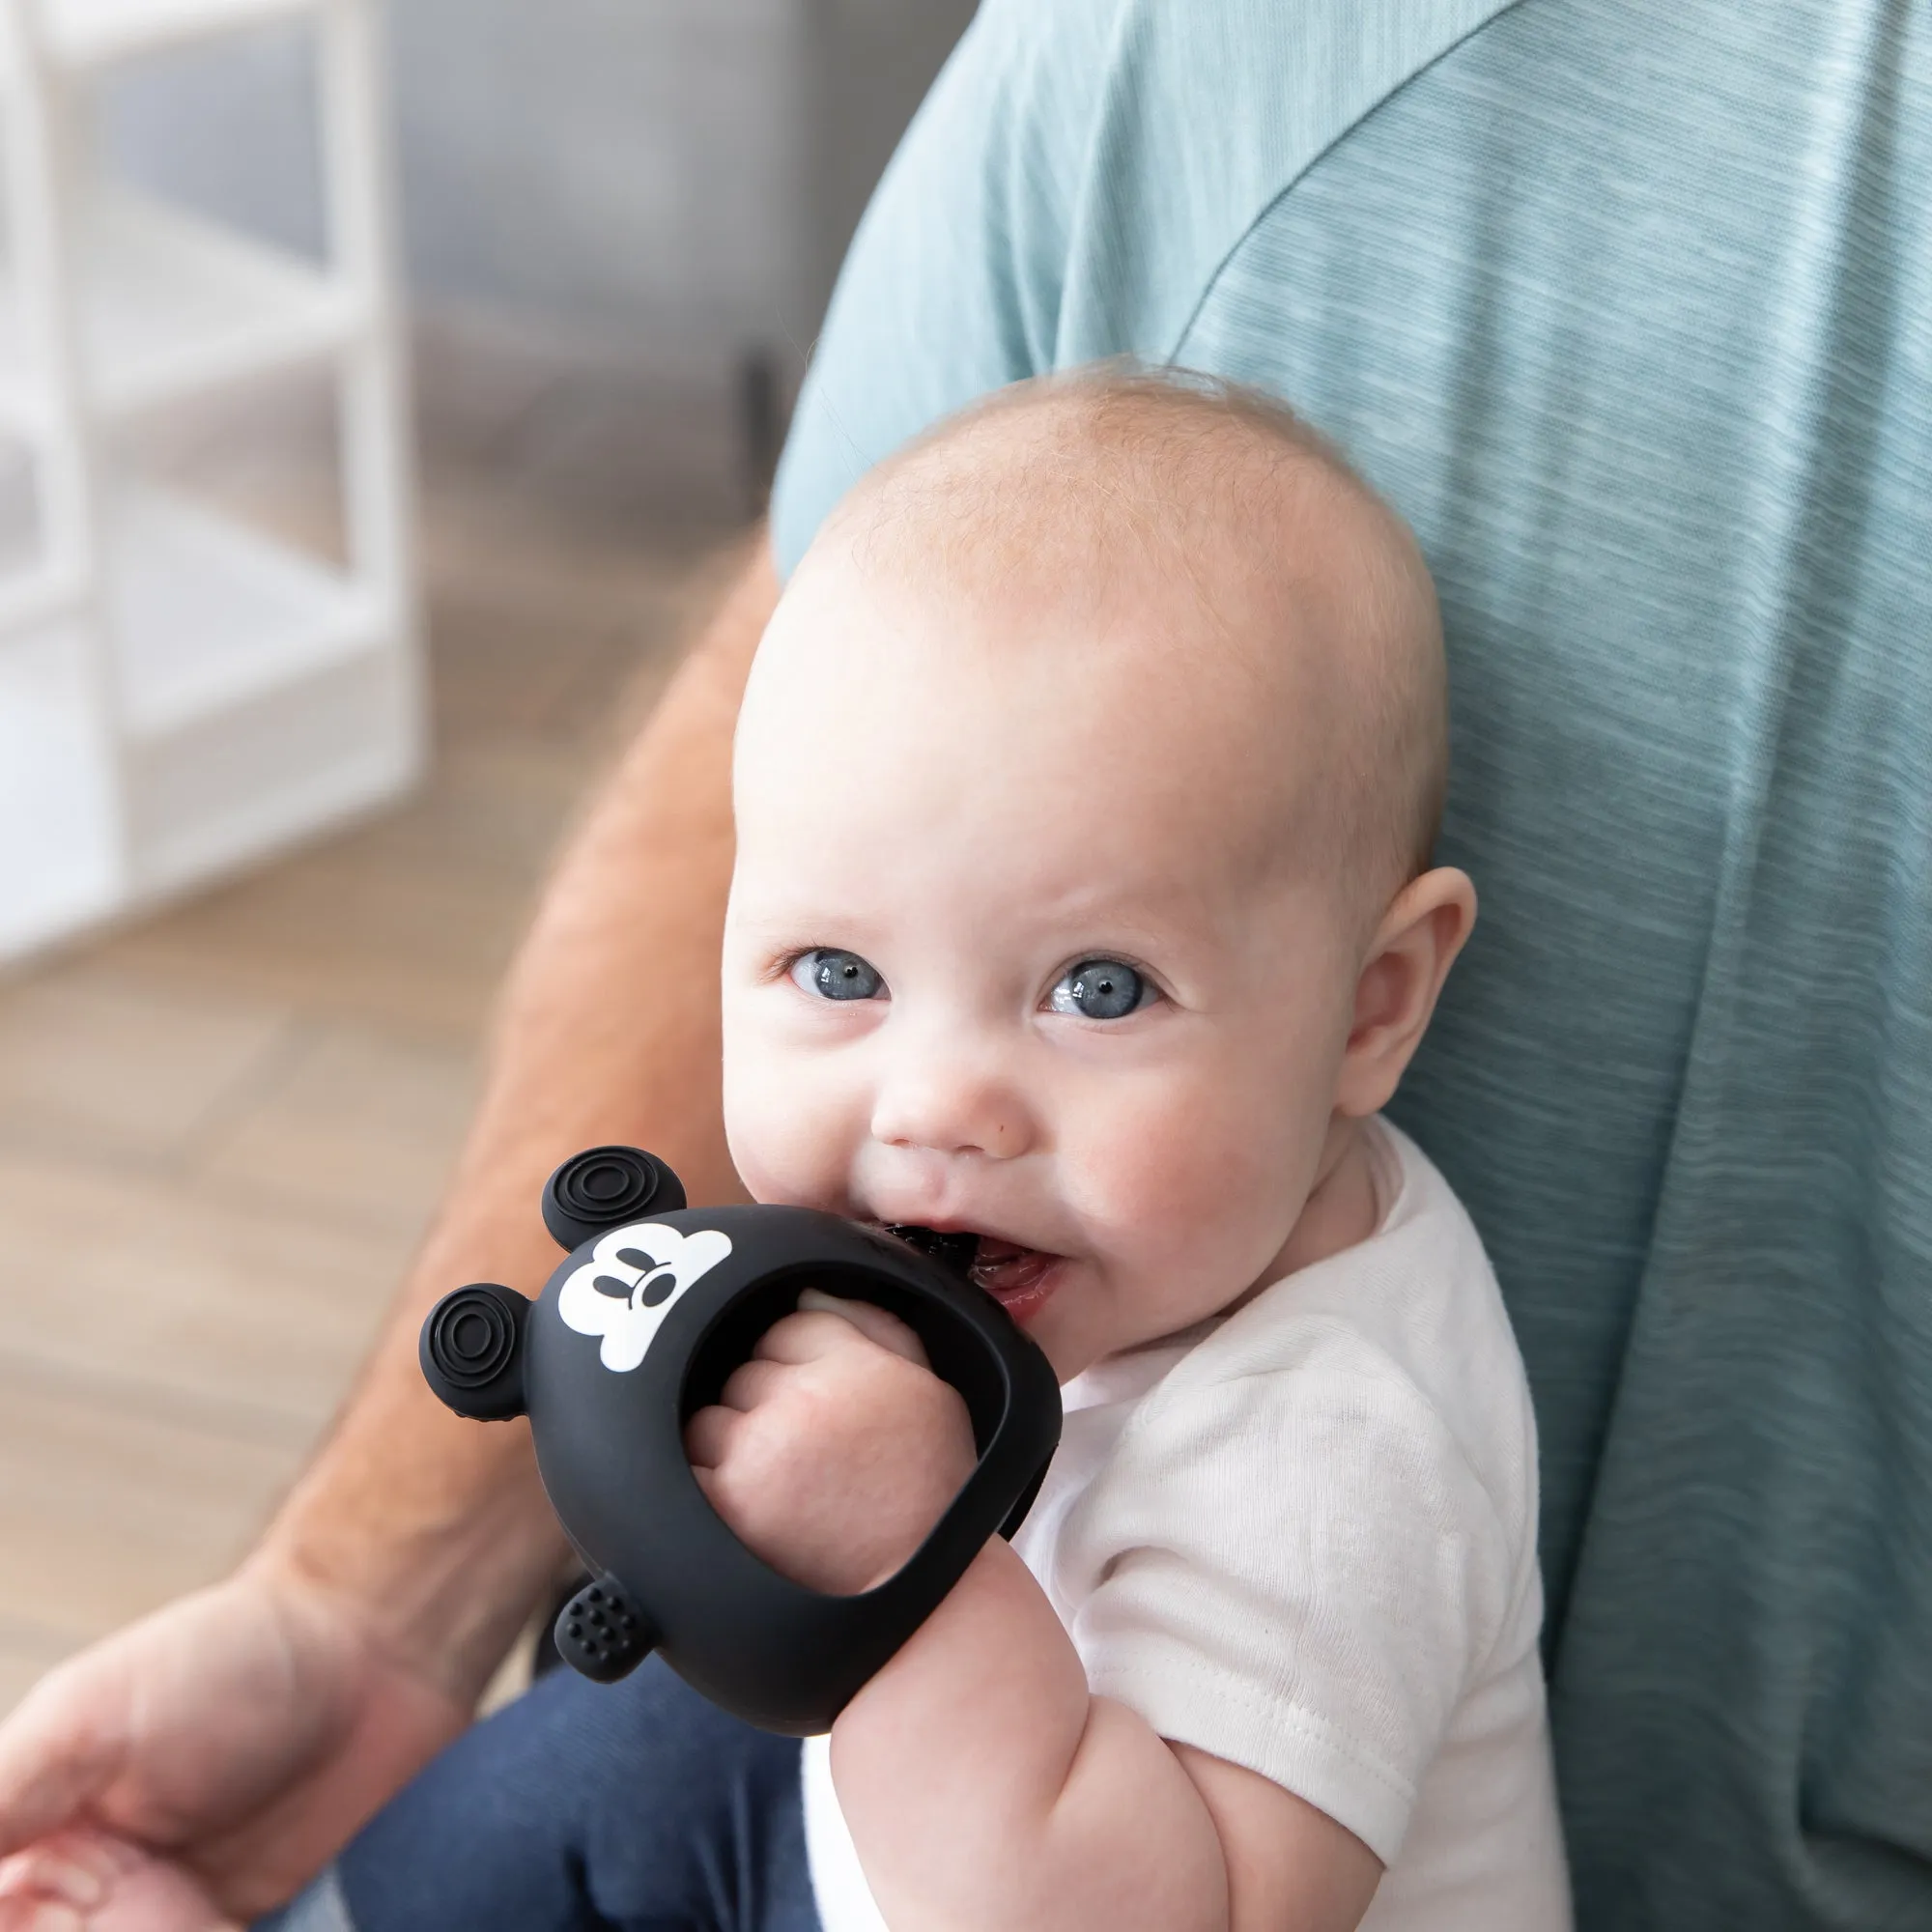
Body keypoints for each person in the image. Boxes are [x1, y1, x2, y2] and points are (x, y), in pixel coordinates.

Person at [0, 0, 1925, 1926]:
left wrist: (907, 1549)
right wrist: (401, 1600)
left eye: (1097, 990)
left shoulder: (1335, 1448)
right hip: (877, 1810)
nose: (933, 1104)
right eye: (834, 971)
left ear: (1369, 1005)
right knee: (600, 1758)